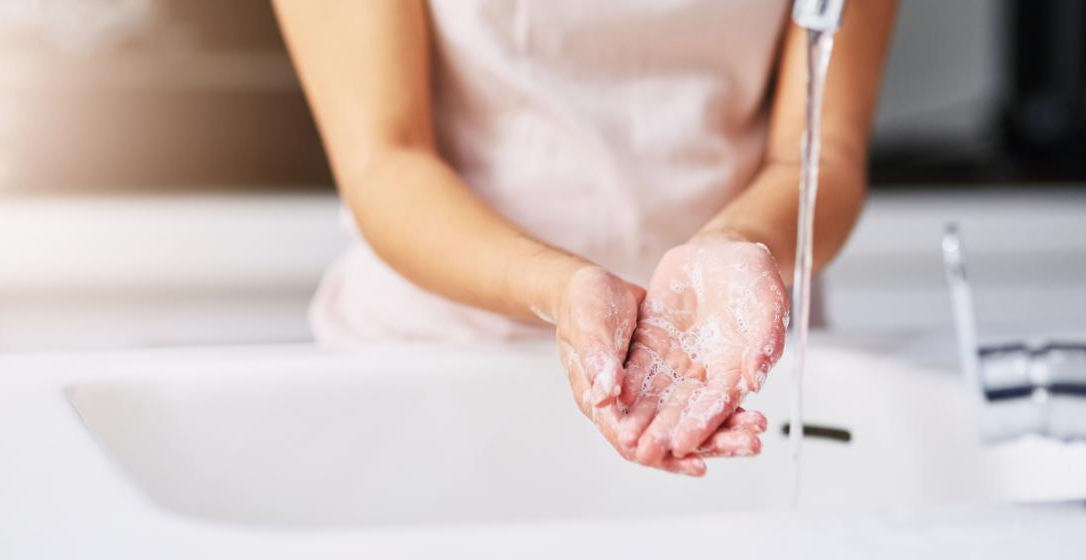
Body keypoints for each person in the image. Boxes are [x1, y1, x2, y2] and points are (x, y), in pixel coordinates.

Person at [273, 0, 897, 476]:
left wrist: (739, 240)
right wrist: (560, 286)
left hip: (728, 367)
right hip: (436, 364)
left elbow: (820, 155)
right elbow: (386, 159)